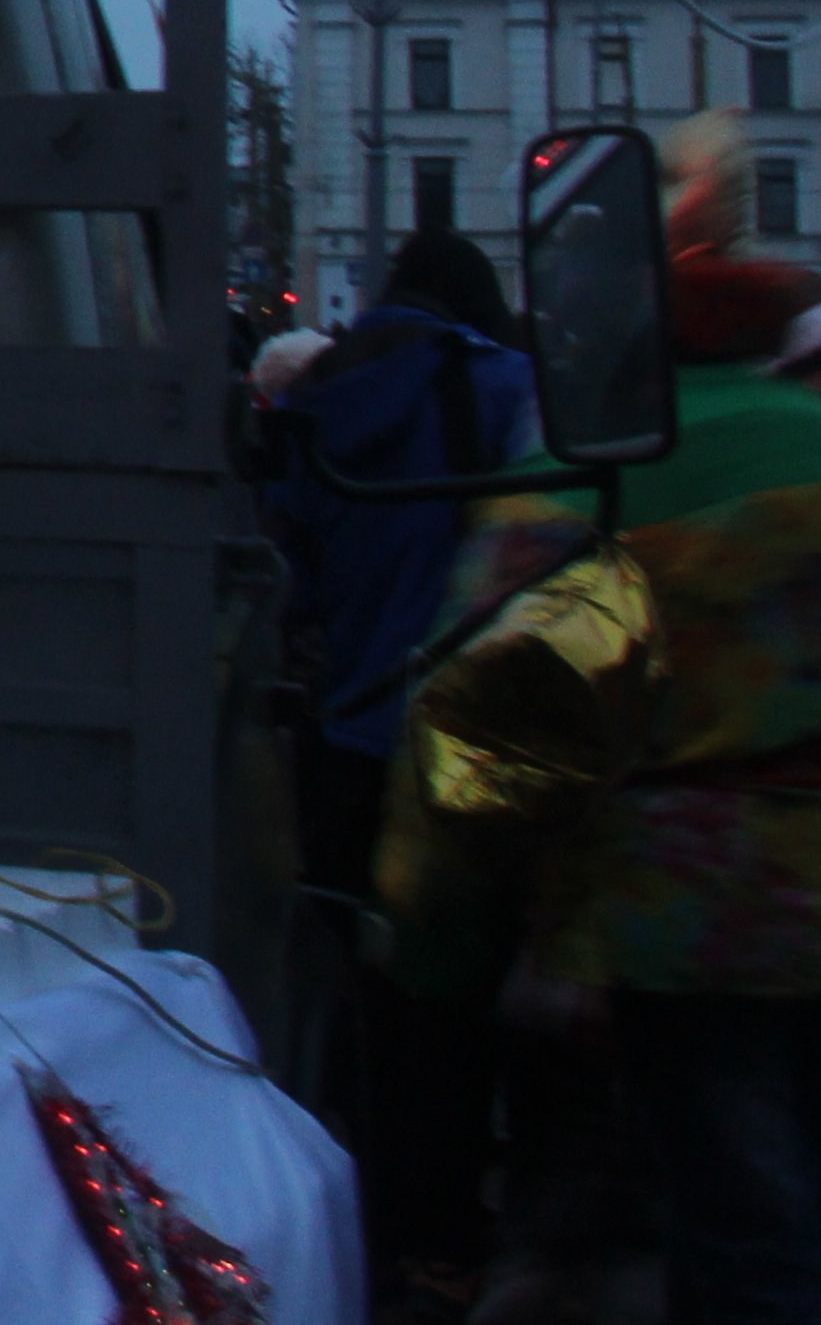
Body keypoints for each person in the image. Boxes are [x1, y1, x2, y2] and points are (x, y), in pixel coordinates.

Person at [392, 174, 821, 1325]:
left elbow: (472, 718)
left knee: (746, 1217)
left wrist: (434, 935)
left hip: (691, 917)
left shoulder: (591, 469)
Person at [260, 228, 542, 1300]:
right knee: (466, 1003)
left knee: (366, 1001)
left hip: (351, 741)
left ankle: (366, 1221)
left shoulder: (317, 402)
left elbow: (295, 573)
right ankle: (457, 1231)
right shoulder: (504, 384)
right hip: (471, 748)